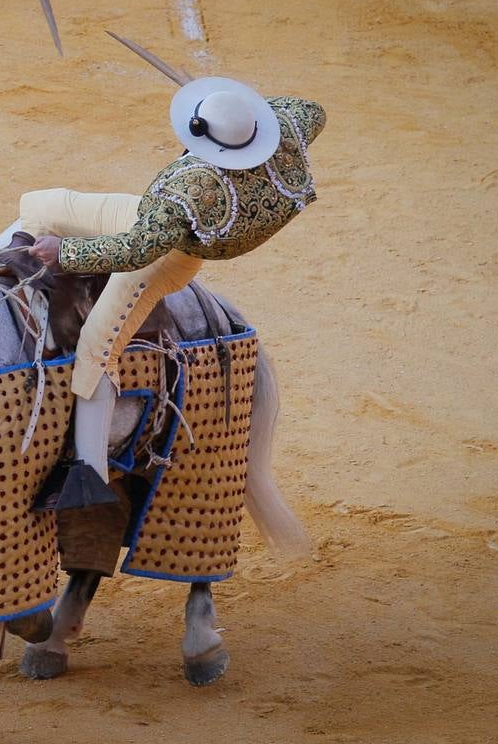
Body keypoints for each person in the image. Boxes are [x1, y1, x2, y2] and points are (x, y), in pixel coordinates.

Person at [20, 76, 326, 512]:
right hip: (150, 218)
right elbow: (311, 107)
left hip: (165, 257)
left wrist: (64, 251)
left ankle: (87, 475)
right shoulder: (289, 128)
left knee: (97, 347)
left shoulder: (189, 194)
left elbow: (136, 249)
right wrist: (239, 113)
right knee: (41, 205)